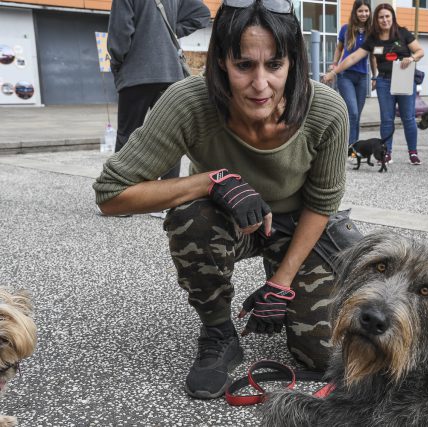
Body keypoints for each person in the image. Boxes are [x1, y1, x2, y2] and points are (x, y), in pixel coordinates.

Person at [94, 0, 353, 400]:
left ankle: (284, 281)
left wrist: (282, 283)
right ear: (219, 62)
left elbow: (322, 204)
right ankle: (218, 332)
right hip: (234, 222)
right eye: (244, 65)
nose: (261, 84)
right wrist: (209, 182)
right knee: (191, 215)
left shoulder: (326, 110)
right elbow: (111, 195)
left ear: (294, 63)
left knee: (321, 358)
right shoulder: (188, 102)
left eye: (275, 65)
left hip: (299, 225)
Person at [107, 0, 211, 182]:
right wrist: (169, 32)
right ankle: (166, 201)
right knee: (169, 137)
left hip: (135, 75)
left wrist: (116, 63)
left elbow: (120, 34)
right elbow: (202, 13)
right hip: (170, 73)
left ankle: (120, 194)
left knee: (127, 134)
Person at [324, 3, 425, 166]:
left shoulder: (403, 33)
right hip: (384, 81)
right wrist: (334, 71)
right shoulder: (373, 39)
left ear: (392, 17)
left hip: (404, 78)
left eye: (387, 16)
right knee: (386, 119)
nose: (384, 20)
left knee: (408, 118)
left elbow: (420, 51)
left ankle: (413, 153)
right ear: (376, 20)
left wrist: (412, 58)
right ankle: (386, 153)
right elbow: (352, 58)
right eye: (381, 17)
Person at [329, 0, 376, 151]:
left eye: (366, 11)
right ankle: (348, 147)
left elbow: (373, 57)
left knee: (356, 116)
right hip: (346, 76)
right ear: (355, 12)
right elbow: (339, 48)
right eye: (360, 11)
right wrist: (335, 64)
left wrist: (375, 76)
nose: (364, 14)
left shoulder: (372, 32)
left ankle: (353, 149)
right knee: (353, 112)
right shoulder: (346, 29)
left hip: (362, 77)